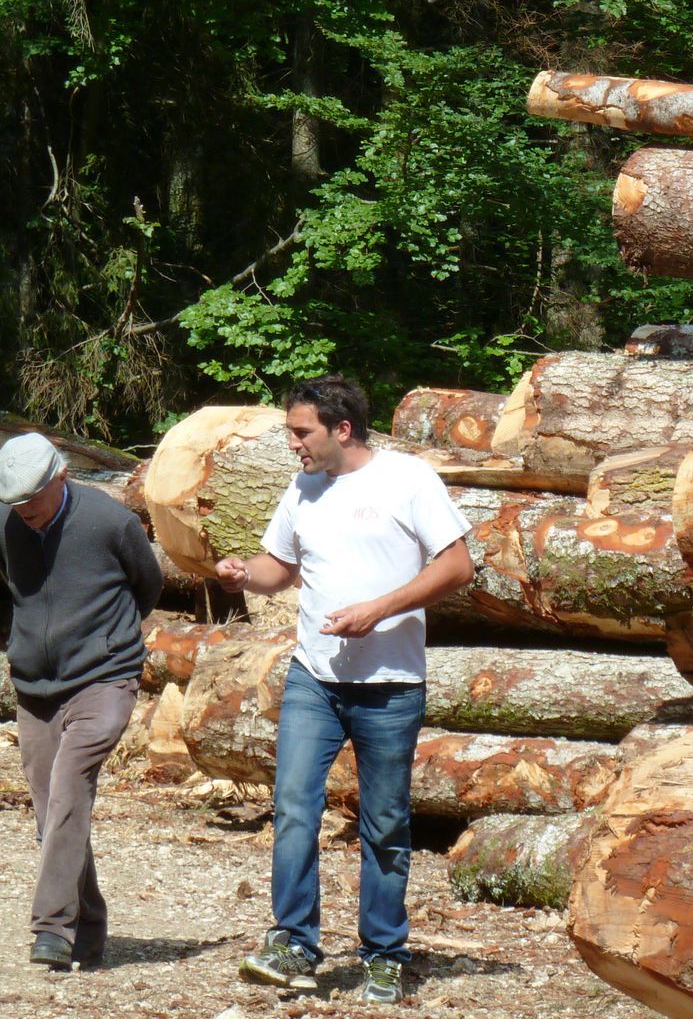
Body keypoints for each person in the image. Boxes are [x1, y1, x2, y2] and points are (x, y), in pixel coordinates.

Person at [215, 375, 474, 1005]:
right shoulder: (303, 487)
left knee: (384, 823)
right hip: (314, 678)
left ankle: (384, 953)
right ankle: (293, 942)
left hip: (389, 685)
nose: (293, 445)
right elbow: (281, 568)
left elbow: (459, 565)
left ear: (342, 430)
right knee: (294, 809)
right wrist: (243, 575)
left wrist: (380, 609)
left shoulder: (408, 479)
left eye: (301, 432)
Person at [0, 431, 163, 972]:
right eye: (13, 505)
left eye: (31, 504)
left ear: (60, 476)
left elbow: (147, 584)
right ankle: (88, 929)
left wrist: (108, 642)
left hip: (105, 677)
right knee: (52, 810)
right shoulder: (1, 524)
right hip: (35, 686)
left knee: (68, 787)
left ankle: (51, 929)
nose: (23, 515)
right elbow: (13, 581)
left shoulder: (110, 522)